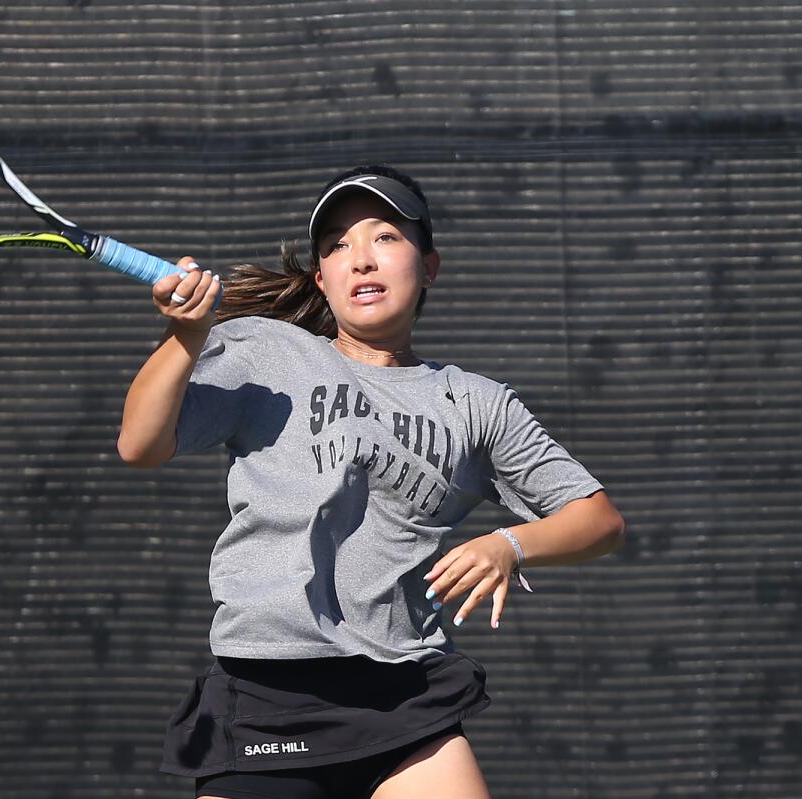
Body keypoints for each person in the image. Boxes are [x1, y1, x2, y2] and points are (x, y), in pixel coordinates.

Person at [117, 164, 626, 799]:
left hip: (405, 701)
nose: (361, 260)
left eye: (385, 237)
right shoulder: (264, 353)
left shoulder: (477, 404)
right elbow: (139, 446)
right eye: (337, 246)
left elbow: (599, 520)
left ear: (429, 266)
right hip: (268, 700)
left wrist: (509, 545)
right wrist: (184, 337)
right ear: (321, 280)